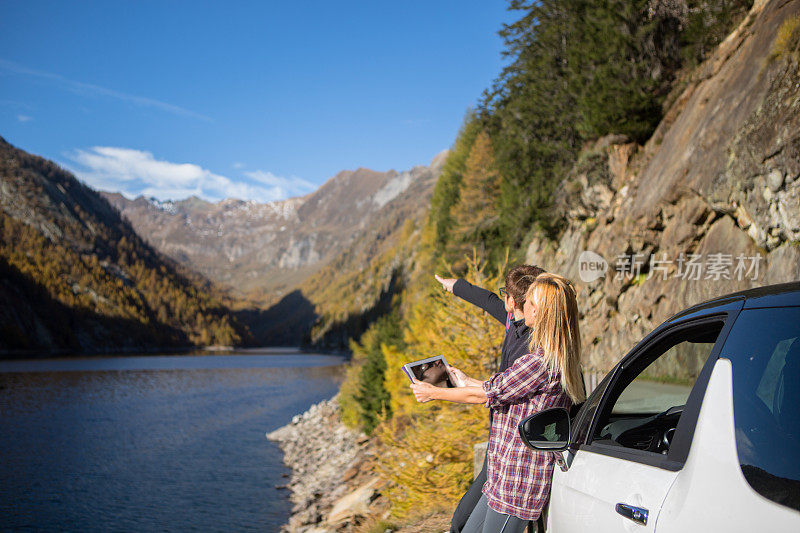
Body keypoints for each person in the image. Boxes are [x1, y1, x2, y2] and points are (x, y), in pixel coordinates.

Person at [412, 273, 586, 533]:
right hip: (502, 473)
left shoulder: (539, 363)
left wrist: (432, 392)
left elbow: (485, 395)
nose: (520, 304)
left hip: (516, 483)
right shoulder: (550, 358)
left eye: (527, 302)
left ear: (537, 313)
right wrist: (467, 380)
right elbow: (501, 389)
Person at [434, 265, 544, 532]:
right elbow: (488, 301)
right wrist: (456, 286)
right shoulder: (516, 324)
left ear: (514, 302)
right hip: (501, 442)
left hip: (515, 451)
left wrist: (435, 392)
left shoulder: (533, 348)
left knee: (461, 522)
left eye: (505, 293)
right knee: (463, 521)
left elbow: (492, 392)